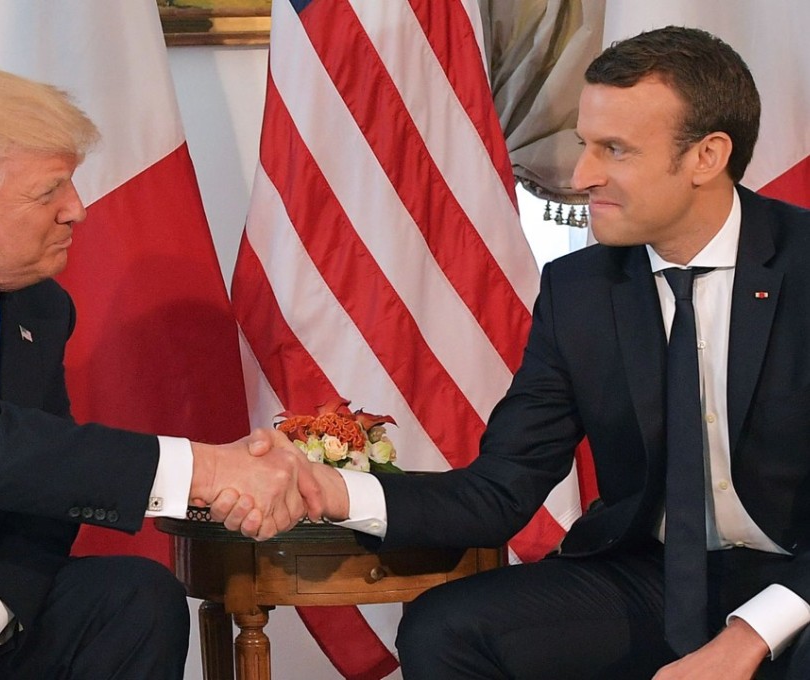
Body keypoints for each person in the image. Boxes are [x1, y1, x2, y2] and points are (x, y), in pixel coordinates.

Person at [255, 26, 810, 679]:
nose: (581, 176)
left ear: (707, 156)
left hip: (797, 582)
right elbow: (500, 488)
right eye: (584, 145)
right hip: (656, 575)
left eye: (615, 150)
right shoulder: (581, 291)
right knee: (446, 629)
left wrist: (746, 638)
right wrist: (335, 491)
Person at [0, 67, 315, 680]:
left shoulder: (37, 303)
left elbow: (43, 490)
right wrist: (203, 468)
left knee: (133, 598)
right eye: (50, 192)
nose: (79, 211)